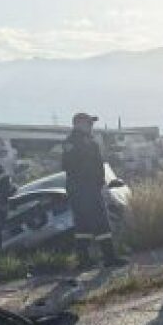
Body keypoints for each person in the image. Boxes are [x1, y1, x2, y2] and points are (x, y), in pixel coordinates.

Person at [62, 112, 126, 269]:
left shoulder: (88, 141)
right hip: (84, 187)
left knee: (83, 226)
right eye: (89, 123)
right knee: (100, 221)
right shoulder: (73, 142)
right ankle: (109, 257)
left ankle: (84, 260)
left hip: (87, 187)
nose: (91, 126)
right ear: (79, 123)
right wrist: (90, 180)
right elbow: (69, 166)